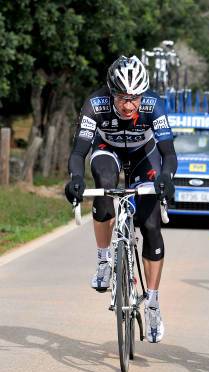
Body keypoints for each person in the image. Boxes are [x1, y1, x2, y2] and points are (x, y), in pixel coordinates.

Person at [64, 55, 177, 343]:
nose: (129, 106)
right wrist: (75, 179)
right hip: (107, 151)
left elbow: (168, 153)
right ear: (111, 92)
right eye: (123, 98)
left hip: (144, 155)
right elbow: (79, 152)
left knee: (151, 226)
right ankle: (104, 258)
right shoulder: (95, 104)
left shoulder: (154, 104)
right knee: (104, 185)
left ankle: (152, 303)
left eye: (135, 98)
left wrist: (166, 177)